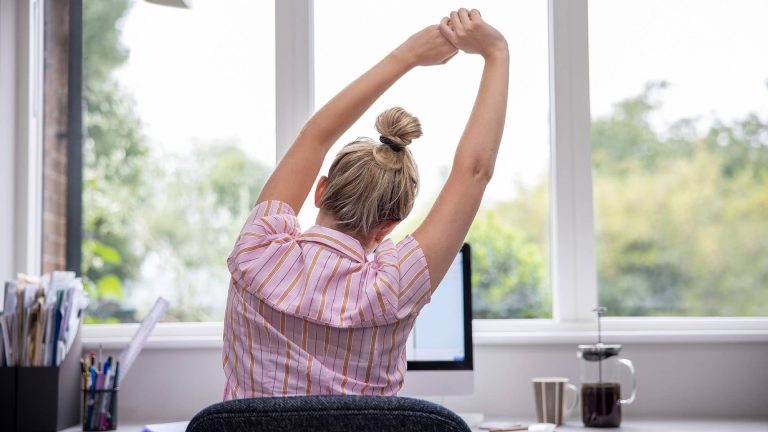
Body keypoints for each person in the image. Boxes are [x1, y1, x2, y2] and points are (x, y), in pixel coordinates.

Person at [223, 8, 509, 399]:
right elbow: (473, 174)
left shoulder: (257, 250)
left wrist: (407, 55)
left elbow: (314, 138)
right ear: (390, 224)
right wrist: (497, 53)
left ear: (320, 189)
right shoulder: (394, 285)